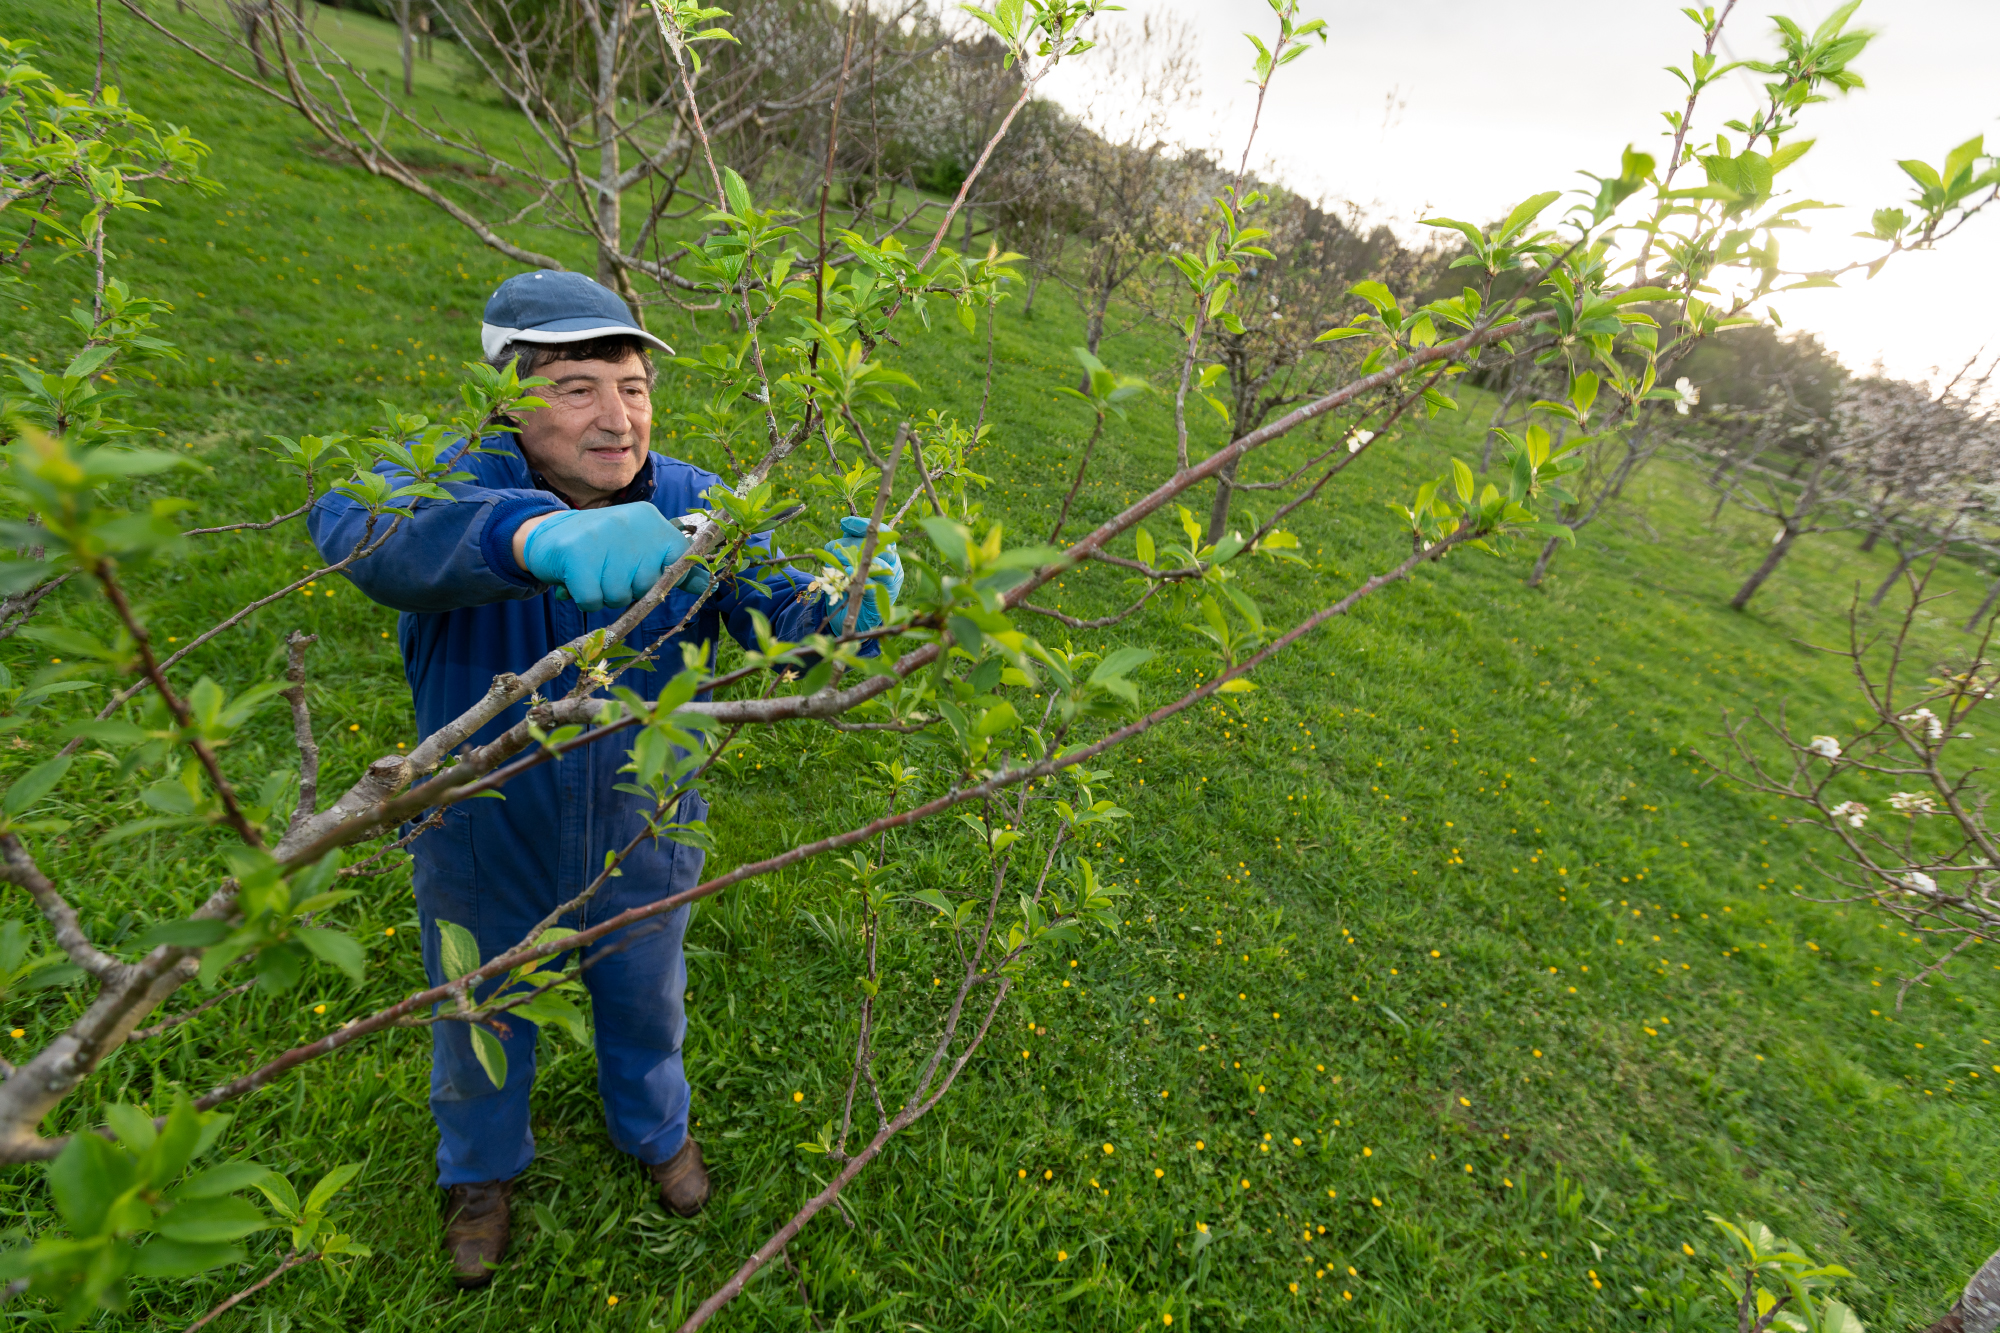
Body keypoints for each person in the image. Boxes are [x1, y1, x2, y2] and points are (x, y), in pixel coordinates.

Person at [309, 270, 902, 1289]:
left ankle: (654, 1127)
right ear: (507, 397)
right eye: (577, 386)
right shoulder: (456, 480)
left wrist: (841, 610)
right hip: (480, 821)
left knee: (643, 991)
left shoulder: (695, 503)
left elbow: (781, 624)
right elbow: (356, 529)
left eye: (631, 387)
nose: (615, 417)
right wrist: (536, 536)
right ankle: (481, 1171)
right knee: (479, 1002)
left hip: (643, 817)